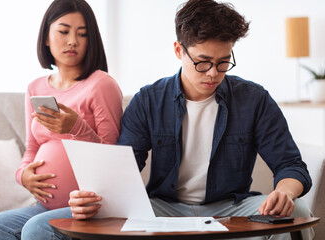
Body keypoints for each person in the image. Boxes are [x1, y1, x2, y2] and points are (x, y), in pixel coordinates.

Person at [69, 0, 314, 240]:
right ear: (179, 50)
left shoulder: (254, 99)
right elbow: (124, 170)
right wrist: (92, 200)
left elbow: (291, 165)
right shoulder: (148, 100)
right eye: (203, 62)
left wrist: (284, 192)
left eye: (223, 62)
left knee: (298, 212)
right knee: (67, 222)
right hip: (165, 209)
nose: (213, 74)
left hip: (231, 209)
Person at [0, 0, 122, 239]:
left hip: (90, 207)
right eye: (64, 31)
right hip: (45, 206)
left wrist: (77, 127)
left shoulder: (101, 84)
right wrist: (22, 175)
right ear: (46, 37)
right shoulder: (35, 88)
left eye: (82, 34)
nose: (72, 41)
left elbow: (112, 158)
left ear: (91, 40)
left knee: (36, 230)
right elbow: (32, 148)